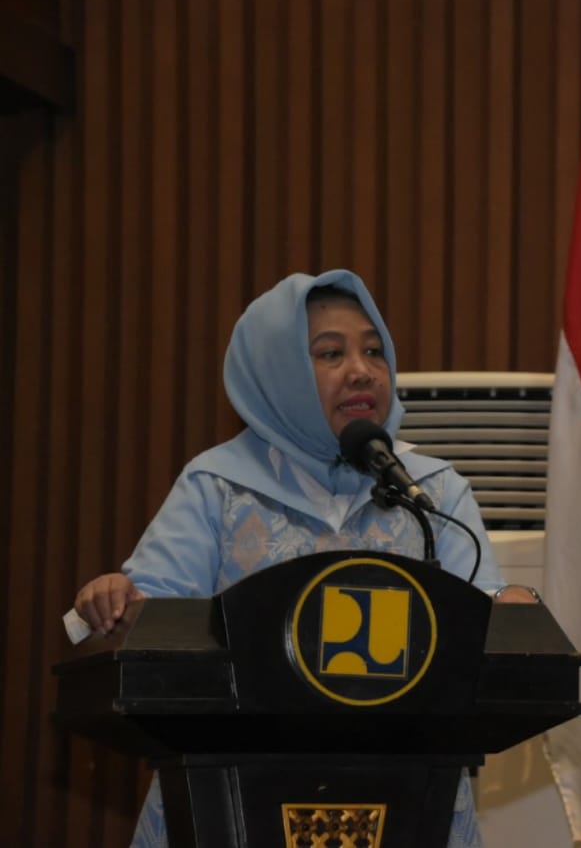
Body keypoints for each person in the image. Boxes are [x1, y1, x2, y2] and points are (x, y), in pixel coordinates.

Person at [73, 269, 537, 848]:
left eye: (374, 350)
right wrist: (117, 599)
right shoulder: (217, 486)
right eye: (329, 354)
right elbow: (148, 616)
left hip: (410, 801)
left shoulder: (432, 494)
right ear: (279, 371)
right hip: (232, 804)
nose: (361, 369)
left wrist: (516, 607)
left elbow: (486, 608)